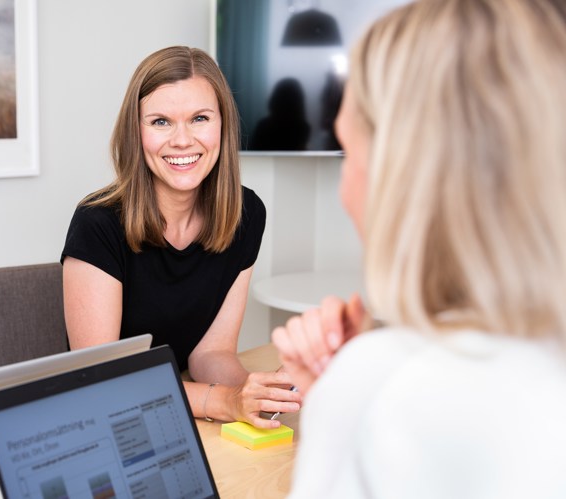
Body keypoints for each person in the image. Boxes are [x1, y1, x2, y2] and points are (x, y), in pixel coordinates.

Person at [271, 0, 566, 497]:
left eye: (350, 151)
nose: (345, 189)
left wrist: (339, 408)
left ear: (404, 177)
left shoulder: (384, 383)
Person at [61, 46, 301, 427]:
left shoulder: (246, 213)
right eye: (160, 122)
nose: (182, 140)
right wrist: (223, 402)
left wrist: (256, 395)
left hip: (176, 406)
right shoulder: (97, 223)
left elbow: (212, 352)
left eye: (200, 118)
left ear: (222, 125)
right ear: (135, 132)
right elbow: (103, 381)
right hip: (104, 417)